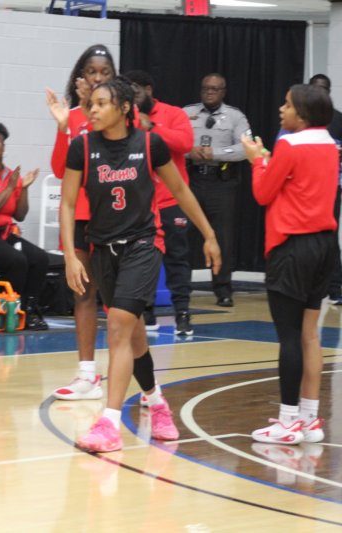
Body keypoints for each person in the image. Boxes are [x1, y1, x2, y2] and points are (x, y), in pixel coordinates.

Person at [61, 78, 220, 452]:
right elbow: (67, 204)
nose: (93, 110)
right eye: (91, 104)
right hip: (102, 249)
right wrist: (69, 255)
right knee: (132, 337)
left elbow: (180, 190)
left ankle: (109, 423)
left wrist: (209, 234)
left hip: (143, 245)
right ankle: (156, 401)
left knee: (119, 326)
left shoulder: (150, 144)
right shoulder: (82, 147)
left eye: (101, 103)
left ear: (124, 108)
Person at [242, 84, 338, 445]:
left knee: (289, 337)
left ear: (303, 113)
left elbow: (262, 192)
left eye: (287, 104)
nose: (282, 109)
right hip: (325, 246)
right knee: (310, 334)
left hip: (293, 248)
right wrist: (267, 163)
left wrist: (257, 161)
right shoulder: (330, 144)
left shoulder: (290, 145)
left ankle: (287, 422)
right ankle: (310, 420)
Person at [45, 44, 123, 401]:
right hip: (79, 216)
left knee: (119, 299)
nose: (97, 77)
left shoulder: (121, 118)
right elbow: (60, 169)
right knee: (83, 293)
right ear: (81, 75)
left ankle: (134, 374)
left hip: (115, 217)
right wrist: (65, 127)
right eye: (91, 71)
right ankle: (87, 374)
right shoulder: (73, 115)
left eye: (104, 72)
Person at [125, 70, 195, 335]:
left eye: (136, 92)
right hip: (141, 203)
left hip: (171, 200)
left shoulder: (174, 114)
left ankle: (183, 314)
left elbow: (185, 143)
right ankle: (146, 311)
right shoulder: (125, 118)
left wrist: (153, 128)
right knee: (143, 260)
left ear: (148, 90)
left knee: (178, 258)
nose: (132, 98)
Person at [183, 73, 250, 307]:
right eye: (205, 88)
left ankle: (223, 290)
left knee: (222, 237)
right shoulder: (186, 113)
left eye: (214, 89)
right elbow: (171, 142)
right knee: (181, 234)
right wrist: (189, 150)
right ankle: (179, 288)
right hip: (190, 180)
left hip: (221, 183)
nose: (209, 92)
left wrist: (216, 154)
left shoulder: (235, 116)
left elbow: (246, 149)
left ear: (223, 92)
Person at [0, 119, 49, 330]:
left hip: (7, 234)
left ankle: (29, 310)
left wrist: (24, 188)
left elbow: (20, 214)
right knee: (17, 261)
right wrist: (9, 189)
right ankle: (8, 309)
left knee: (40, 258)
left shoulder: (11, 175)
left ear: (3, 145)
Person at [307, 74, 342, 304]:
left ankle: (335, 287)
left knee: (329, 236)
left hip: (331, 187)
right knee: (305, 238)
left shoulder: (338, 120)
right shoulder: (300, 118)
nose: (319, 93)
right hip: (304, 187)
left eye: (323, 89)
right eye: (315, 89)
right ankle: (307, 286)